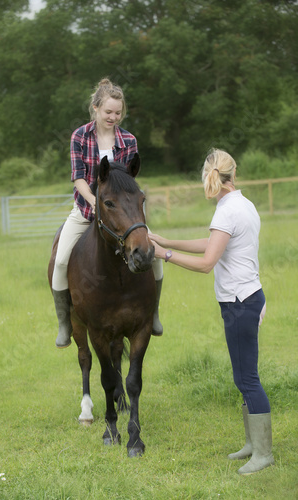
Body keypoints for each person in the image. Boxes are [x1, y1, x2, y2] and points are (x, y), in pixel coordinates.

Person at [149, 148, 274, 475]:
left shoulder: (226, 211)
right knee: (243, 377)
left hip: (239, 302)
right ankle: (252, 444)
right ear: (233, 173)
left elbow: (207, 263)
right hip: (248, 297)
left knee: (247, 378)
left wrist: (164, 253)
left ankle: (263, 453)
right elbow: (212, 243)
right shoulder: (243, 204)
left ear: (211, 177)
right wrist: (168, 240)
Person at [52, 78, 164, 349]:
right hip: (85, 210)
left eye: (118, 113)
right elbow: (78, 177)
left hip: (123, 215)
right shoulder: (79, 136)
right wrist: (92, 201)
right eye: (108, 112)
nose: (113, 117)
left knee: (156, 257)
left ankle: (154, 312)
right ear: (95, 109)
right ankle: (65, 322)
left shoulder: (129, 140)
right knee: (60, 262)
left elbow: (130, 182)